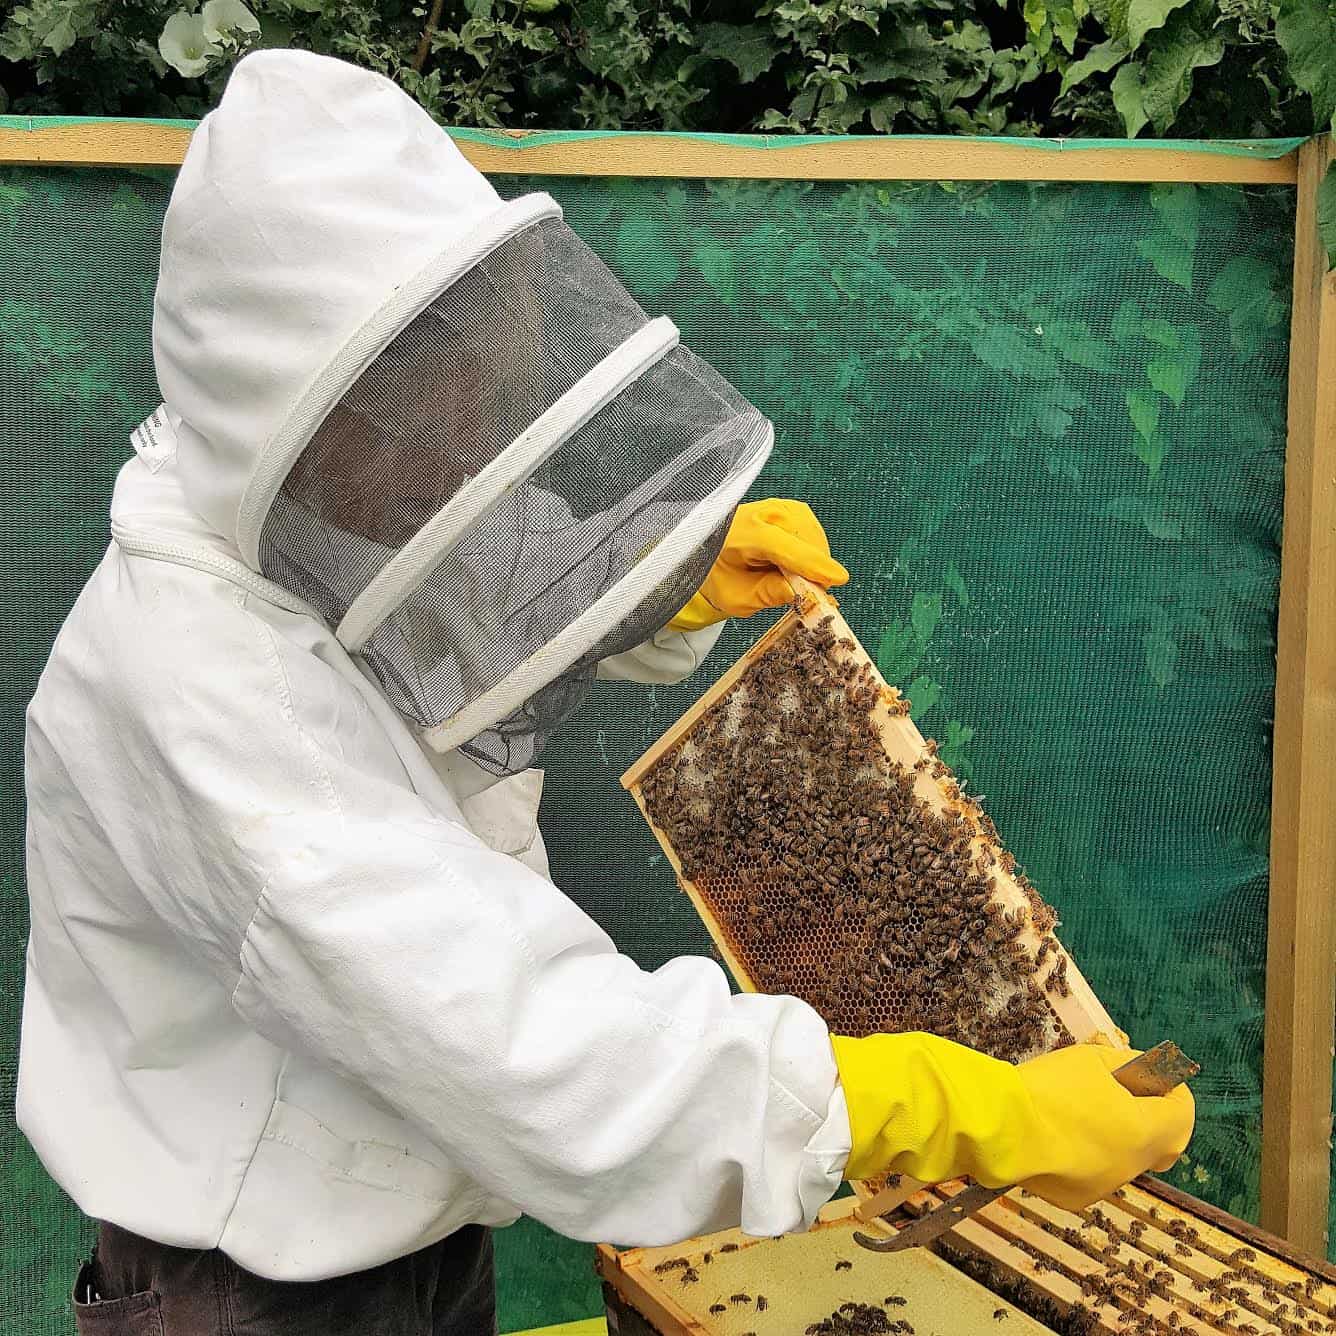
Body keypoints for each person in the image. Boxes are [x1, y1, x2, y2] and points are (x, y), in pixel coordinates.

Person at [17, 49, 1193, 1336]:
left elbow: (459, 575)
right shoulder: (199, 686)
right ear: (301, 414)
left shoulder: (305, 502)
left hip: (406, 1203)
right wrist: (927, 1105)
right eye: (416, 442)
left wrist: (654, 589)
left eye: (466, 430)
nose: (449, 476)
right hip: (249, 1282)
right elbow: (518, 1036)